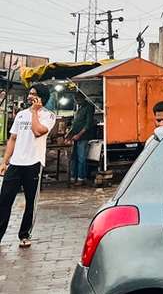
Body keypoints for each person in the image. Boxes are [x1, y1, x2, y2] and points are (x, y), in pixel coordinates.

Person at [0, 84, 56, 248]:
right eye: (30, 93)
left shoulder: (48, 116)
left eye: (34, 94)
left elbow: (38, 131)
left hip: (33, 163)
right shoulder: (20, 115)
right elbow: (13, 139)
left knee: (30, 201)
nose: (30, 96)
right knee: (4, 200)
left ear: (41, 97)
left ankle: (24, 234)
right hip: (16, 163)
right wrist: (5, 161)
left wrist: (34, 112)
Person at [66, 92, 95, 185]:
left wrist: (79, 135)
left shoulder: (89, 107)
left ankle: (81, 178)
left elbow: (88, 124)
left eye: (77, 99)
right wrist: (69, 134)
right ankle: (73, 176)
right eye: (75, 100)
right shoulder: (80, 108)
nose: (76, 102)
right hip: (75, 137)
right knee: (74, 158)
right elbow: (75, 123)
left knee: (81, 158)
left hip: (83, 137)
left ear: (82, 98)